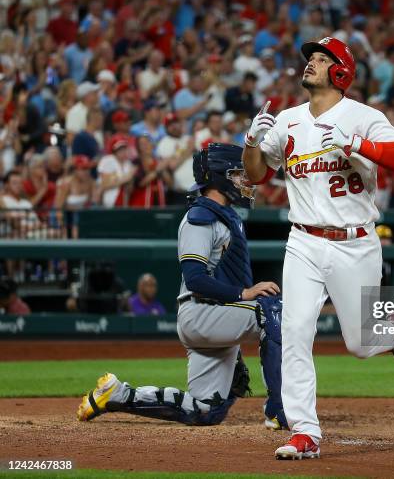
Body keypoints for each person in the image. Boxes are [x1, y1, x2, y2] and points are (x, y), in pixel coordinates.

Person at [242, 37, 394, 460]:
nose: (312, 64)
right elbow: (254, 175)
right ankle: (304, 431)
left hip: (354, 242)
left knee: (360, 344)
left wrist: (359, 145)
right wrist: (253, 141)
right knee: (294, 331)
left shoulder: (362, 116)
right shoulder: (287, 120)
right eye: (311, 58)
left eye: (322, 59)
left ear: (341, 72)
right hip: (303, 239)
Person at [77, 143, 287, 432]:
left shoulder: (224, 215)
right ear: (219, 177)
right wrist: (245, 295)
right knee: (272, 310)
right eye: (237, 174)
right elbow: (196, 279)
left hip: (215, 316)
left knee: (206, 410)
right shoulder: (200, 218)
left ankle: (118, 395)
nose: (244, 180)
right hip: (201, 312)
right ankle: (280, 410)